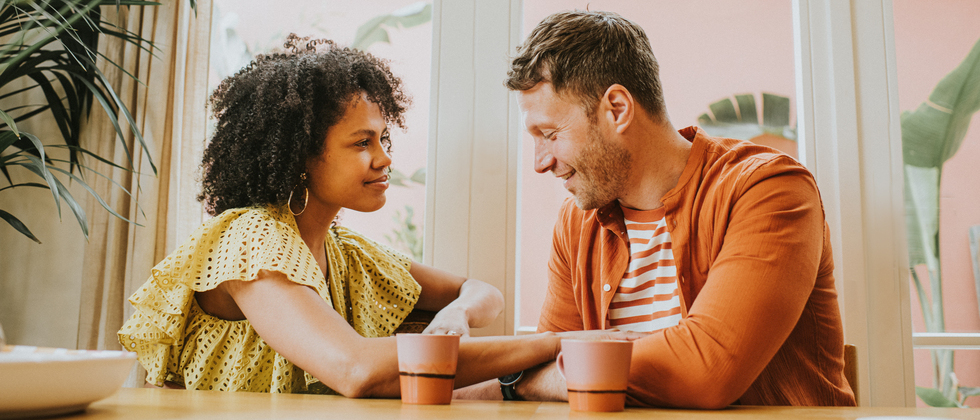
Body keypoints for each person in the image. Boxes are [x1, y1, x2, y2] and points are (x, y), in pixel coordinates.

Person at [117, 35, 634, 396]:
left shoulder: (345, 254)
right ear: (300, 155)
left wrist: (457, 314)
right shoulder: (252, 239)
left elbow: (483, 292)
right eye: (362, 142)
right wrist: (560, 342)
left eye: (383, 138)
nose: (384, 158)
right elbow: (357, 369)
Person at [456, 11, 856, 408]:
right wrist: (533, 377)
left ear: (617, 108)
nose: (540, 162)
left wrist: (525, 383)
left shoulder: (768, 189)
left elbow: (705, 371)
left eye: (549, 134)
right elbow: (543, 361)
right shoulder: (577, 222)